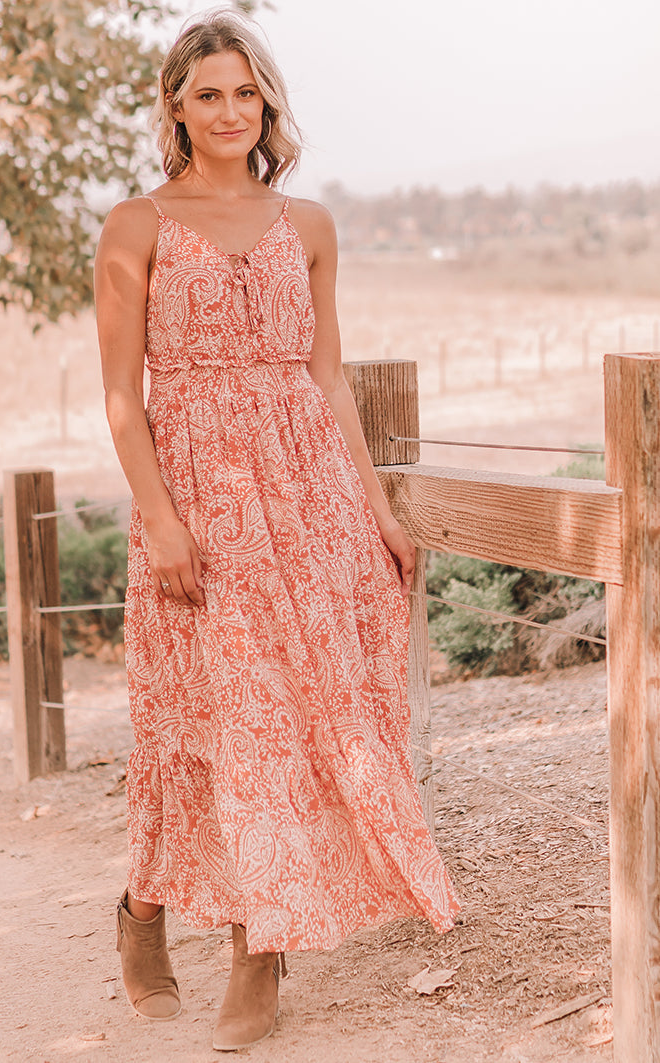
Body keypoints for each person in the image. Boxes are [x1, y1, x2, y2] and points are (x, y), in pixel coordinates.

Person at [94, 9, 459, 1051]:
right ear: (176, 105)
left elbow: (326, 377)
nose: (228, 110)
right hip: (200, 495)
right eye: (207, 93)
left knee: (293, 719)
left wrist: (377, 508)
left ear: (266, 104)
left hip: (308, 498)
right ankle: (142, 909)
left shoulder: (308, 225)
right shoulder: (136, 225)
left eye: (245, 92)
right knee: (196, 723)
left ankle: (261, 952)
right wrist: (161, 519)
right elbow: (123, 395)